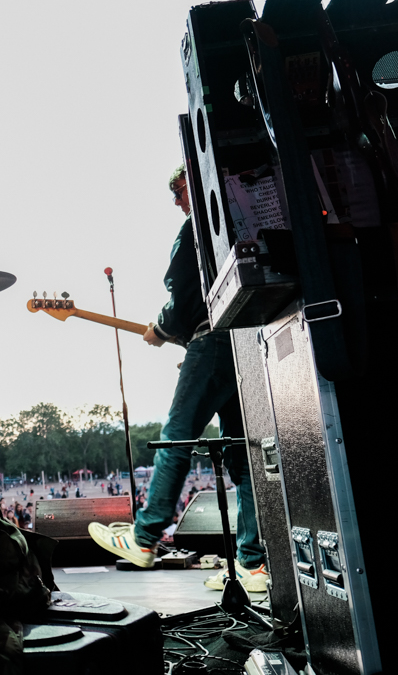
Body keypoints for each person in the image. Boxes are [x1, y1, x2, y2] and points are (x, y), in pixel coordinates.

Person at [88, 165, 267, 594]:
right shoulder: (243, 221)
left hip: (213, 340)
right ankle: (255, 564)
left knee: (177, 435)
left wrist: (164, 327)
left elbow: (184, 294)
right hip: (247, 342)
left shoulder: (195, 230)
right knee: (244, 456)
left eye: (179, 189)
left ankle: (144, 537)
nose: (176, 200)